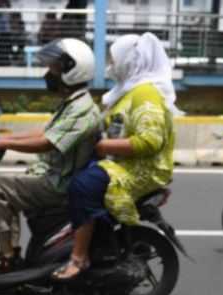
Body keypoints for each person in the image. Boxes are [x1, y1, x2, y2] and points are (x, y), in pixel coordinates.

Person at [52, 32, 178, 280]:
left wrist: (106, 146)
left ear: (130, 61)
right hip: (122, 162)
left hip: (143, 168)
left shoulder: (145, 94)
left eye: (114, 59)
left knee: (83, 185)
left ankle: (79, 258)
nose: (110, 66)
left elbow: (151, 140)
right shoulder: (127, 92)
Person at [0, 38, 102, 275]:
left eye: (54, 67)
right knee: (8, 184)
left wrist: (3, 143)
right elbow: (46, 132)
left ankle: (7, 257)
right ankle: (12, 251)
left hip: (59, 184)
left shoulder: (82, 110)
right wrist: (6, 138)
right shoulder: (73, 103)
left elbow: (46, 143)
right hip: (54, 175)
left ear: (71, 71)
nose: (49, 72)